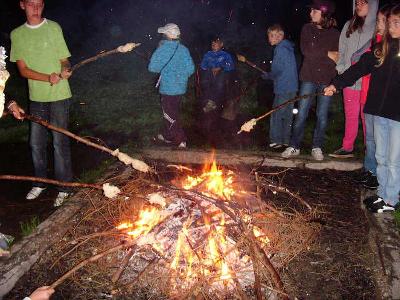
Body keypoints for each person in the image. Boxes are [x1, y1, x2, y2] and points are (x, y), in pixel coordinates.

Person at [324, 3, 400, 213]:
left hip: (397, 117)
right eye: (388, 22)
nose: (390, 26)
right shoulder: (380, 49)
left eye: (396, 23)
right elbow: (359, 68)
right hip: (377, 111)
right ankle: (383, 194)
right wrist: (336, 84)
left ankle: (391, 199)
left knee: (394, 160)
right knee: (382, 158)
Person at [10, 0, 73, 207]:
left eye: (39, 4)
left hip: (59, 94)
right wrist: (47, 78)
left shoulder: (54, 27)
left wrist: (66, 68)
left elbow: (65, 59)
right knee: (36, 143)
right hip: (36, 96)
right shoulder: (17, 34)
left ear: (43, 5)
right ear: (22, 5)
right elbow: (23, 70)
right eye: (31, 4)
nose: (35, 9)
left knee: (59, 142)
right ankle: (41, 182)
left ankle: (64, 188)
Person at [281, 0, 340, 161]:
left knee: (322, 115)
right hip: (308, 77)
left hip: (326, 79)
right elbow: (307, 51)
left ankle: (317, 146)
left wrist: (325, 55)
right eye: (311, 11)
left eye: (314, 11)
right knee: (301, 114)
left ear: (324, 14)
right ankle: (294, 146)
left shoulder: (335, 34)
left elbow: (336, 58)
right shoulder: (307, 29)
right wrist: (327, 53)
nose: (310, 13)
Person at [329, 0, 378, 158]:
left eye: (363, 3)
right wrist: (341, 69)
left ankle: (368, 151)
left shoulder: (378, 26)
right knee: (350, 115)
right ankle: (347, 147)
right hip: (348, 79)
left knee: (366, 118)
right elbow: (341, 50)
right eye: (357, 3)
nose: (359, 6)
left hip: (367, 82)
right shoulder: (349, 25)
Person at [351, 4, 393, 189]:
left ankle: (377, 175)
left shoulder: (390, 45)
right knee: (369, 138)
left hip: (380, 101)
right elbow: (359, 60)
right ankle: (369, 170)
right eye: (379, 20)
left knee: (379, 140)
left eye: (384, 20)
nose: (380, 24)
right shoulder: (373, 42)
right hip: (366, 97)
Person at [149, 23, 195, 149]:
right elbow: (191, 69)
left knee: (169, 114)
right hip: (181, 88)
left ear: (168, 35)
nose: (163, 35)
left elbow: (152, 68)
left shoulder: (162, 49)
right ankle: (167, 136)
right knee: (173, 112)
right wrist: (180, 75)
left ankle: (181, 140)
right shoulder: (184, 49)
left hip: (168, 89)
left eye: (164, 33)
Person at [261, 24, 298, 150]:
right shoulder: (288, 48)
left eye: (272, 36)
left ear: (280, 36)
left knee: (276, 114)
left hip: (283, 87)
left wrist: (268, 75)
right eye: (269, 36)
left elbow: (277, 70)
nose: (269, 39)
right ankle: (286, 141)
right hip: (292, 87)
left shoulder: (280, 48)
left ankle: (276, 140)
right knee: (287, 114)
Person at [199, 36, 235, 145]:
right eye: (212, 43)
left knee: (221, 78)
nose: (214, 45)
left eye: (216, 43)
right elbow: (203, 66)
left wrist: (220, 67)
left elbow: (231, 66)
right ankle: (209, 100)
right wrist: (210, 68)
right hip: (210, 74)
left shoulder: (225, 55)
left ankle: (213, 101)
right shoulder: (208, 54)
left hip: (222, 75)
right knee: (205, 78)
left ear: (221, 45)